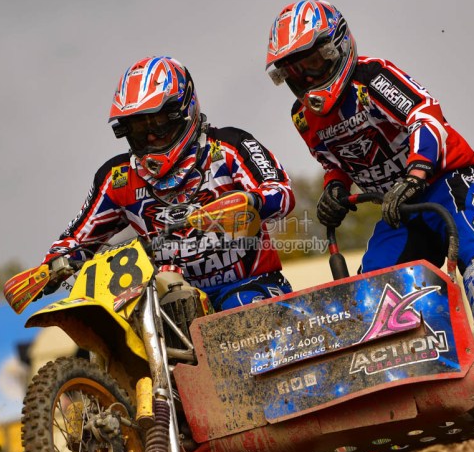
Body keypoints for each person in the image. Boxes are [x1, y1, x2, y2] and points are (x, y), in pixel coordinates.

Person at [264, 0, 474, 383]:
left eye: (312, 63)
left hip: (445, 182)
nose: (305, 77)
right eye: (293, 72)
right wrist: (334, 190)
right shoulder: (302, 116)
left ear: (336, 47)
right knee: (371, 290)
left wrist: (417, 172)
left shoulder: (373, 77)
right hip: (398, 210)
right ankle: (415, 375)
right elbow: (333, 161)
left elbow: (426, 116)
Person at [42, 56, 296, 311]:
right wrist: (50, 267)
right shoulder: (117, 178)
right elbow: (75, 240)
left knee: (240, 309)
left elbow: (281, 191)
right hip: (173, 300)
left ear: (184, 111)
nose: (151, 136)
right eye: (138, 128)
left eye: (159, 123)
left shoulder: (229, 146)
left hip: (251, 285)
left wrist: (252, 201)